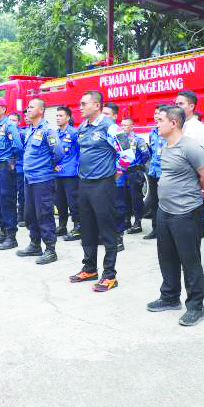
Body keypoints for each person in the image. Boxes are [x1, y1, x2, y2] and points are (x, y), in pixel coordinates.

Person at [146, 105, 204, 326]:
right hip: (164, 210)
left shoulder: (190, 147)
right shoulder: (165, 146)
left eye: (160, 120)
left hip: (186, 212)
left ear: (173, 123)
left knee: (190, 260)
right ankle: (169, 297)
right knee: (166, 257)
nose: (156, 124)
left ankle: (196, 307)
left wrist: (196, 189)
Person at [70, 91, 134, 292]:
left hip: (102, 185)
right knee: (87, 227)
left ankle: (110, 275)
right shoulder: (82, 127)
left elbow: (127, 154)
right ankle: (89, 268)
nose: (79, 107)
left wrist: (116, 172)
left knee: (107, 229)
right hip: (85, 184)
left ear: (96, 106)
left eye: (83, 104)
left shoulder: (110, 127)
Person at [17, 98, 64, 264]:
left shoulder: (48, 130)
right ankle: (34, 244)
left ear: (41, 110)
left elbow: (58, 153)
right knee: (30, 214)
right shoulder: (31, 129)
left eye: (31, 107)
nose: (28, 109)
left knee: (44, 213)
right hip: (29, 178)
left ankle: (50, 250)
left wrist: (47, 166)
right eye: (28, 107)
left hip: (42, 179)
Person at [175, 91, 204, 237]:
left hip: (191, 185)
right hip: (177, 186)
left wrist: (199, 181)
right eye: (176, 104)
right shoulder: (177, 126)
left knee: (192, 230)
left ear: (191, 106)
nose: (177, 107)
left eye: (181, 104)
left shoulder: (198, 128)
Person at [0, 97, 23, 250]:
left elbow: (18, 146)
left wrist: (11, 161)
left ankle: (11, 236)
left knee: (7, 201)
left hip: (4, 168)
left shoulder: (9, 125)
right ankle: (2, 230)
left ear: (2, 108)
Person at [103, 103, 128, 252]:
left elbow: (127, 154)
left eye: (107, 114)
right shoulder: (100, 131)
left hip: (115, 178)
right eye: (103, 113)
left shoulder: (118, 132)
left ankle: (119, 237)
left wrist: (118, 171)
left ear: (115, 116)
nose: (104, 116)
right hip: (102, 179)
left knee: (118, 207)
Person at [55, 106, 81, 241]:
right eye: (57, 116)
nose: (58, 118)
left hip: (70, 174)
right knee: (60, 202)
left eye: (61, 116)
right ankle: (62, 226)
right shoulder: (55, 133)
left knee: (73, 202)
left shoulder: (74, 133)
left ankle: (78, 227)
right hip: (57, 173)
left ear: (68, 118)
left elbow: (80, 152)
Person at [122, 117, 151, 234]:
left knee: (136, 199)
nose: (122, 127)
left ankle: (137, 223)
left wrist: (138, 165)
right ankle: (126, 221)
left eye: (125, 125)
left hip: (135, 172)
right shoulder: (121, 140)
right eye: (122, 125)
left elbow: (146, 155)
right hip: (124, 172)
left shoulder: (138, 140)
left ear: (131, 127)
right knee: (125, 198)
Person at [144, 106, 166, 240]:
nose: (156, 116)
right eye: (155, 113)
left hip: (164, 173)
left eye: (159, 113)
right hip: (153, 172)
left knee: (164, 203)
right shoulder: (152, 133)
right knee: (154, 201)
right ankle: (155, 229)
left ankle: (165, 231)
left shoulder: (167, 133)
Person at [8, 113, 27, 227]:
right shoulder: (4, 133)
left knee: (21, 193)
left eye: (14, 120)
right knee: (9, 193)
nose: (11, 122)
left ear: (18, 122)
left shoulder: (22, 133)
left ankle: (22, 216)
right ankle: (12, 216)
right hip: (6, 168)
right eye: (9, 120)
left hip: (20, 167)